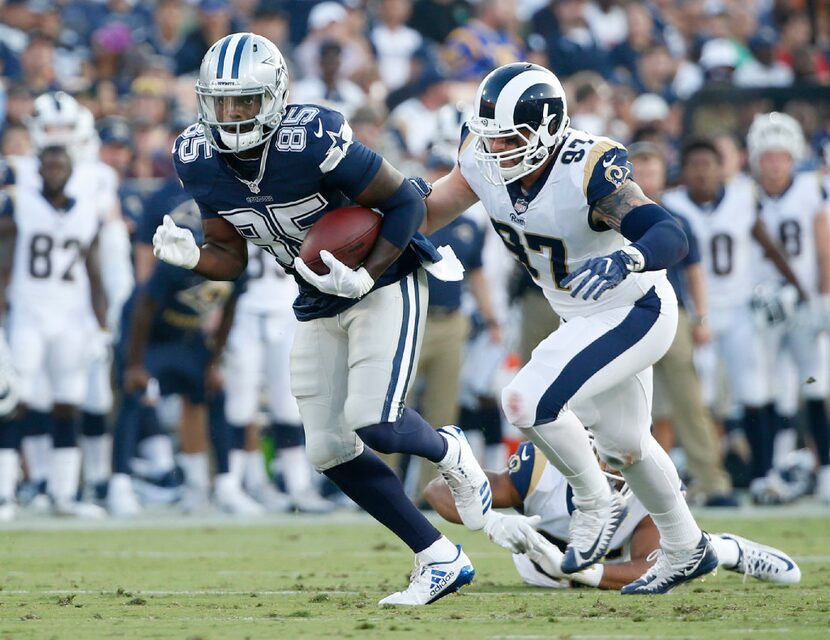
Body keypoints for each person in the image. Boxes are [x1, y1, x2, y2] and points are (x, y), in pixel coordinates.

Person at [150, 33, 513, 606]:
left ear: (273, 96)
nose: (233, 114)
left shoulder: (309, 137)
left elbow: (407, 204)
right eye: (222, 102)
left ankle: (450, 451)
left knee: (377, 422)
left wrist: (367, 273)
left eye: (245, 101)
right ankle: (438, 557)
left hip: (385, 279)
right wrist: (193, 255)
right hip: (315, 296)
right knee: (326, 448)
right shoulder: (195, 157)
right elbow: (232, 255)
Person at [420, 61, 717, 595]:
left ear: (547, 131)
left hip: (634, 306)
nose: (496, 150)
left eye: (510, 139)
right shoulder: (483, 157)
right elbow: (428, 211)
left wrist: (629, 259)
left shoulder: (585, 168)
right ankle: (687, 546)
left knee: (525, 401)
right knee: (626, 443)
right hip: (581, 313)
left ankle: (594, 501)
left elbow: (669, 233)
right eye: (489, 137)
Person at [424, 441, 802, 589]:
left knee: (681, 557)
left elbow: (655, 567)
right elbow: (437, 489)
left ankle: (725, 550)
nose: (618, 469)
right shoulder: (543, 468)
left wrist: (584, 571)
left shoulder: (652, 483)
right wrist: (490, 520)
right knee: (548, 580)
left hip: (612, 559)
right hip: (541, 557)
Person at [662, 139, 806, 485]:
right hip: (698, 312)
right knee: (704, 398)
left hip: (740, 310)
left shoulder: (742, 198)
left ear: (719, 167)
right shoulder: (672, 204)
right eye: (694, 164)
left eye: (707, 164)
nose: (701, 171)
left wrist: (799, 287)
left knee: (753, 391)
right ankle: (709, 472)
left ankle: (762, 473)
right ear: (683, 170)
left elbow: (767, 244)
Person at [0, 146, 108, 519]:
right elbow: (4, 260)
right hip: (28, 313)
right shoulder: (21, 205)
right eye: (48, 165)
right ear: (39, 170)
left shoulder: (86, 211)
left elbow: (94, 274)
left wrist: (102, 326)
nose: (54, 171)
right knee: (14, 401)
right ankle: (5, 493)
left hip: (71, 318)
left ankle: (63, 493)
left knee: (68, 402)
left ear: (71, 169)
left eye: (60, 164)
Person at [629, 142, 736, 507]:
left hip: (671, 312)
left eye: (651, 171)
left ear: (662, 176)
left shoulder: (676, 218)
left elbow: (694, 273)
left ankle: (712, 480)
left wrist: (701, 317)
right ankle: (626, 488)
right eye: (639, 171)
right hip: (625, 315)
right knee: (627, 404)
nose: (645, 178)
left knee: (689, 400)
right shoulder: (609, 216)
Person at [746, 113, 830, 504]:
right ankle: (773, 471)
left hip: (805, 304)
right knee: (769, 387)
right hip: (764, 306)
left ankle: (826, 467)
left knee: (815, 383)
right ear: (756, 159)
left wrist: (824, 296)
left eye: (781, 157)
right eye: (768, 157)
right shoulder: (746, 194)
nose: (775, 164)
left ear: (793, 157)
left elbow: (822, 243)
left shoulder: (812, 191)